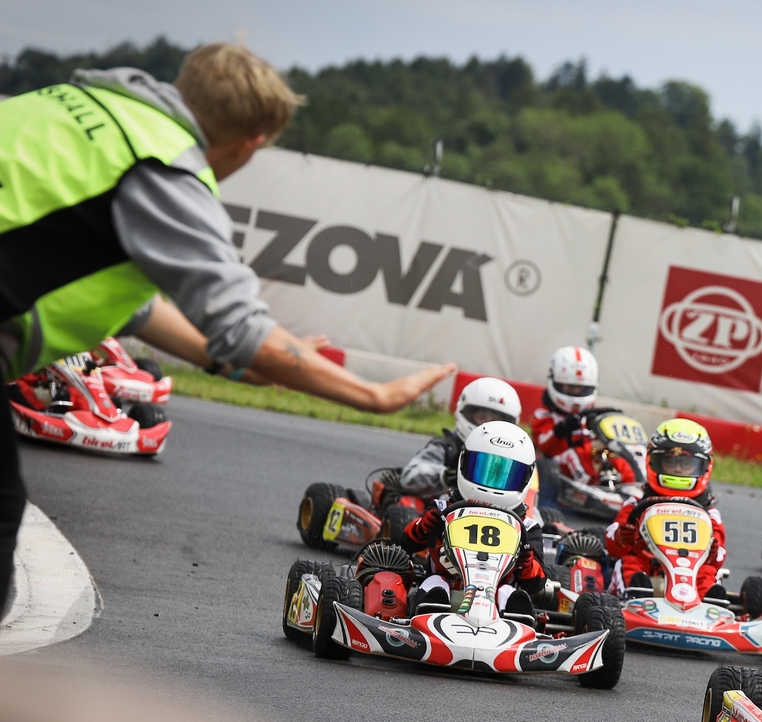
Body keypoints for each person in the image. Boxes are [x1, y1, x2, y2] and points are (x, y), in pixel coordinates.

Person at [0, 43, 454, 604]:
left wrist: (225, 363)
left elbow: (114, 297)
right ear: (252, 142)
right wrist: (375, 395)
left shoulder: (76, 101)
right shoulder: (165, 172)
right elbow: (242, 329)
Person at [396, 421, 547, 615]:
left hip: (496, 603)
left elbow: (536, 584)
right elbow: (406, 544)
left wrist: (526, 565)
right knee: (435, 584)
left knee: (509, 593)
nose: (491, 484)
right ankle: (430, 611)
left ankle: (517, 621)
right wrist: (422, 527)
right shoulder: (442, 509)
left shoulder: (527, 527)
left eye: (504, 476)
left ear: (525, 478)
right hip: (447, 590)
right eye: (483, 470)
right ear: (464, 463)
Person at [604, 418, 727, 598]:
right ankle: (635, 598)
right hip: (646, 568)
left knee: (707, 572)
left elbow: (719, 557)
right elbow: (611, 542)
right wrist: (622, 536)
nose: (677, 469)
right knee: (629, 562)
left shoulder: (708, 511)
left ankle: (710, 605)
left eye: (686, 463)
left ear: (704, 466)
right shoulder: (637, 501)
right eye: (670, 461)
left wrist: (713, 552)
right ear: (653, 461)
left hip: (689, 573)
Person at [399, 377, 522, 498]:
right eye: (482, 417)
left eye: (496, 421)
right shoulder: (447, 448)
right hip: (446, 508)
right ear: (466, 413)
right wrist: (448, 476)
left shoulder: (514, 458)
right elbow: (410, 476)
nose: (487, 426)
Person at [531, 345, 636, 485]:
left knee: (619, 460)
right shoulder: (544, 416)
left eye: (580, 388)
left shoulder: (592, 418)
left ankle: (635, 486)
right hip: (557, 468)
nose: (576, 391)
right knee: (575, 455)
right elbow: (544, 445)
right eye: (570, 387)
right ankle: (593, 489)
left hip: (592, 460)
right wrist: (562, 429)